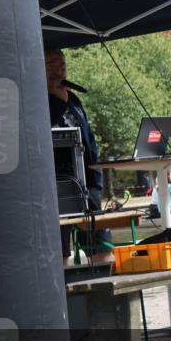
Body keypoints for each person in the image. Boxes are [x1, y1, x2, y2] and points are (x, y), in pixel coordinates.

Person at [45, 49, 113, 263]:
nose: (59, 70)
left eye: (62, 64)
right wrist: (57, 99)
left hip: (87, 184)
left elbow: (88, 139)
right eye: (52, 64)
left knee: (102, 250)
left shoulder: (73, 98)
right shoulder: (36, 99)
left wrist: (96, 179)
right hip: (57, 187)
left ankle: (106, 293)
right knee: (60, 255)